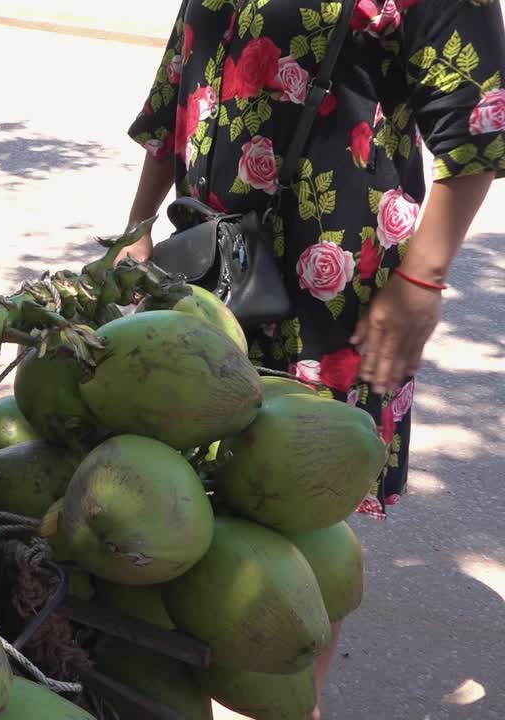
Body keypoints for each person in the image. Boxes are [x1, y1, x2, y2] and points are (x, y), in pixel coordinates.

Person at [123, 0, 504, 716]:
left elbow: (478, 128)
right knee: (180, 500)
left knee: (298, 513)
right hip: (209, 275)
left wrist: (422, 280)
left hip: (333, 294)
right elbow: (180, 80)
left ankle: (298, 703)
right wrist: (138, 231)